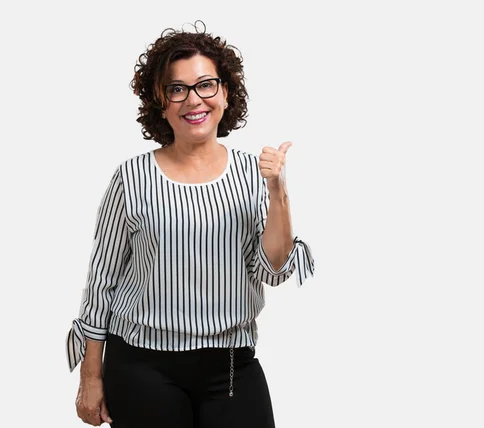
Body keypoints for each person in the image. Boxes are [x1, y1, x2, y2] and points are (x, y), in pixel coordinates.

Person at [65, 21, 315, 428]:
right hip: (142, 367)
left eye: (205, 85)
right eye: (177, 89)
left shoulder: (255, 176)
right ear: (161, 102)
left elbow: (274, 270)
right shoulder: (132, 178)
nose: (192, 99)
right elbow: (101, 281)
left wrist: (278, 193)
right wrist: (90, 376)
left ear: (226, 92)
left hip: (231, 367)